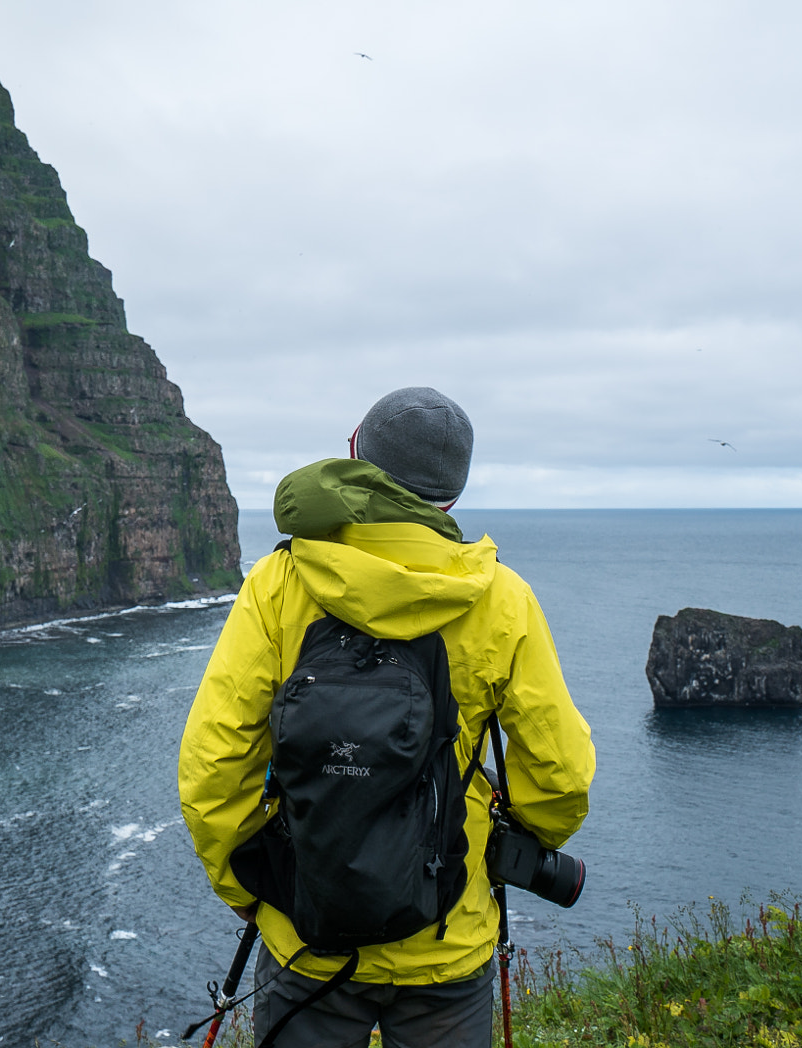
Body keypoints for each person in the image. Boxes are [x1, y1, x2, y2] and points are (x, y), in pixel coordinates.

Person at [179, 386, 596, 1048]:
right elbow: (561, 771)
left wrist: (250, 883)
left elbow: (214, 762)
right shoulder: (501, 600)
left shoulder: (280, 580)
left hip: (304, 930)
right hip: (446, 936)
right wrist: (513, 841)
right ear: (451, 495)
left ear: (356, 459)